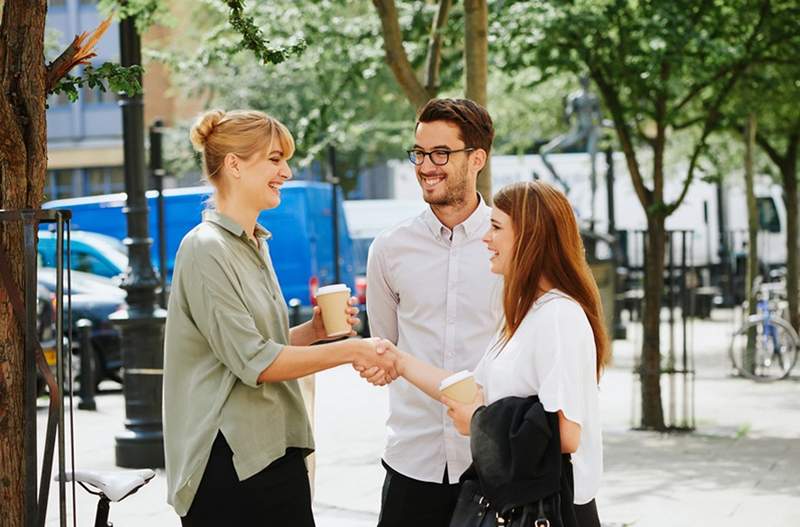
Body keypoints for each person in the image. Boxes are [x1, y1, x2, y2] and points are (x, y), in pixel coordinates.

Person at [162, 109, 398, 527]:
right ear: (234, 164)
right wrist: (352, 350)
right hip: (230, 461)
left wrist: (314, 332)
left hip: (274, 448)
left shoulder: (253, 243)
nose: (286, 171)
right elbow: (256, 361)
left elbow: (253, 346)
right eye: (274, 159)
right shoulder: (205, 249)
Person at [367, 181, 608, 527]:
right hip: (524, 504)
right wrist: (399, 360)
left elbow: (566, 433)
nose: (485, 238)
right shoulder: (527, 315)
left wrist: (479, 423)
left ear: (530, 237)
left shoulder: (559, 316)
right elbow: (471, 389)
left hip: (554, 512)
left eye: (496, 227)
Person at [365, 98, 503, 527]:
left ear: (476, 158)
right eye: (420, 154)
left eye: (441, 153)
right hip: (413, 462)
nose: (427, 166)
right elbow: (386, 347)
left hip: (494, 462)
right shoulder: (389, 248)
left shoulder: (510, 244)